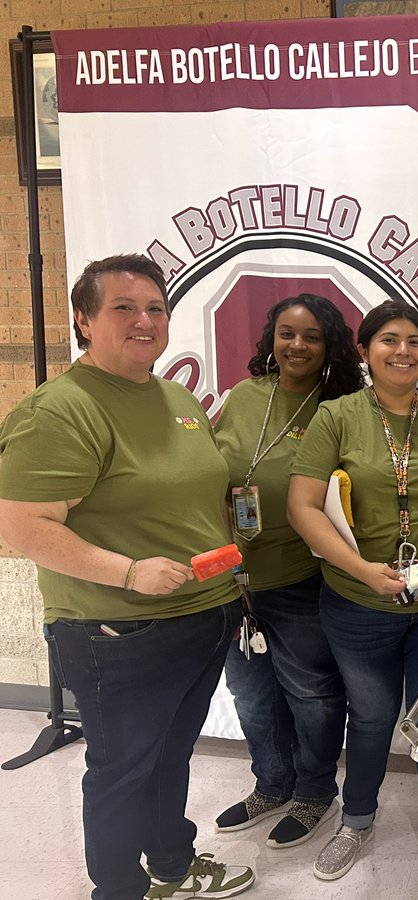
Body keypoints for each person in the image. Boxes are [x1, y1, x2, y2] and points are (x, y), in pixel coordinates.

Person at [0, 255, 254, 900]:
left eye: (156, 309)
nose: (144, 321)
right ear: (84, 320)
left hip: (201, 614)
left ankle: (171, 866)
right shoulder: (59, 411)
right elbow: (22, 525)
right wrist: (128, 571)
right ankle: (118, 890)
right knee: (121, 769)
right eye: (123, 308)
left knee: (169, 757)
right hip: (117, 629)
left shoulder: (172, 395)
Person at [288, 300, 418, 899]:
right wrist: (362, 569)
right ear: (364, 350)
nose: (402, 351)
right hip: (358, 602)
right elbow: (302, 506)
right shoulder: (337, 418)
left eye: (413, 342)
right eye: (388, 340)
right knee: (373, 718)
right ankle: (357, 822)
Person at [213, 294, 363, 849]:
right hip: (233, 580)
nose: (296, 345)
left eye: (311, 336)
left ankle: (315, 793)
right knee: (250, 694)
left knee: (312, 695)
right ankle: (271, 785)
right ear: (270, 340)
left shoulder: (341, 407)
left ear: (330, 347)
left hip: (302, 579)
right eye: (286, 333)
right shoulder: (242, 398)